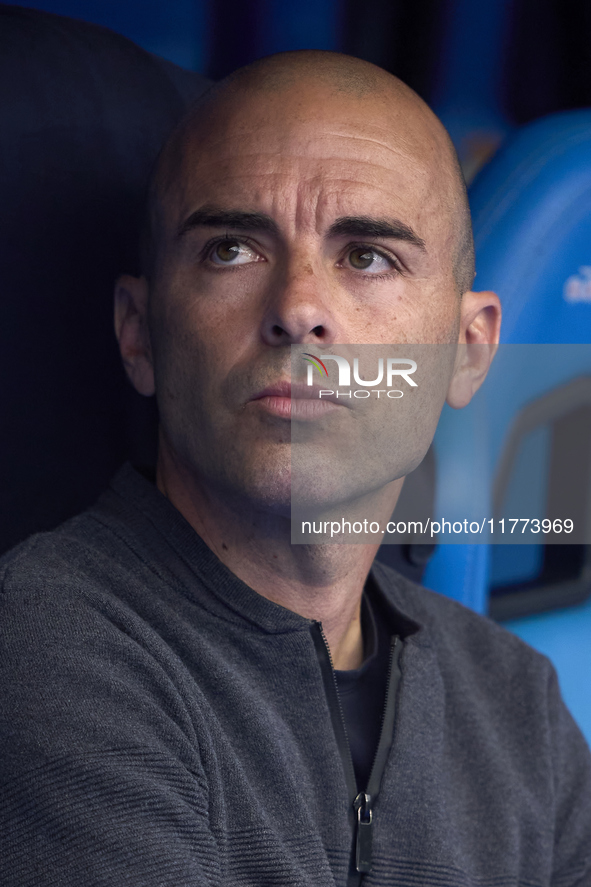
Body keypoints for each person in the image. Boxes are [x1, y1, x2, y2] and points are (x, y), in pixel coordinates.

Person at [1, 50, 589, 887]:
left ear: (467, 350)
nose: (298, 309)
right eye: (232, 248)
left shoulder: (515, 700)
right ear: (139, 333)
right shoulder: (47, 653)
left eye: (367, 257)